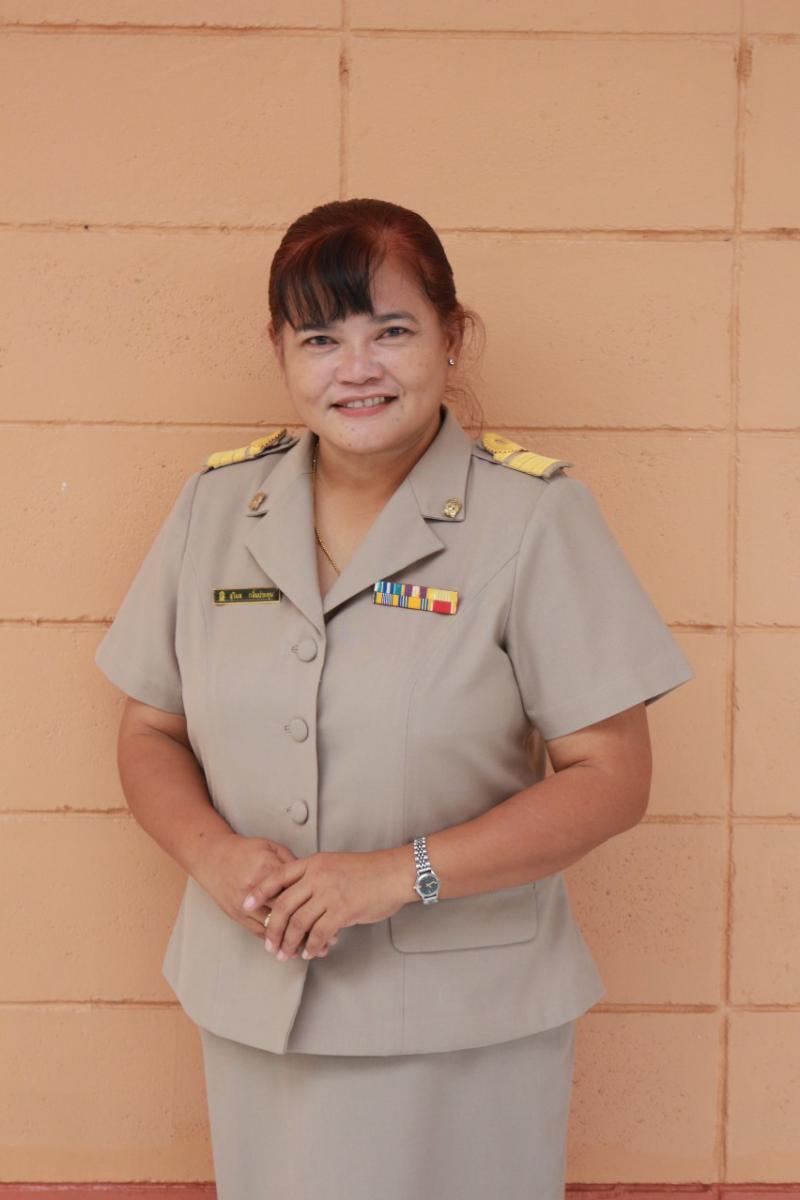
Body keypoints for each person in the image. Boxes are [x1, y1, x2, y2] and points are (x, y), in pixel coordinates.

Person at [94, 197, 695, 1200]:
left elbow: (611, 776)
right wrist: (213, 856)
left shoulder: (533, 517)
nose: (356, 367)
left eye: (392, 330)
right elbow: (150, 727)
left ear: (452, 336)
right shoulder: (216, 508)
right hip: (257, 1003)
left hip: (463, 1024)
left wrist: (395, 875)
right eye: (320, 338)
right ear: (280, 351)